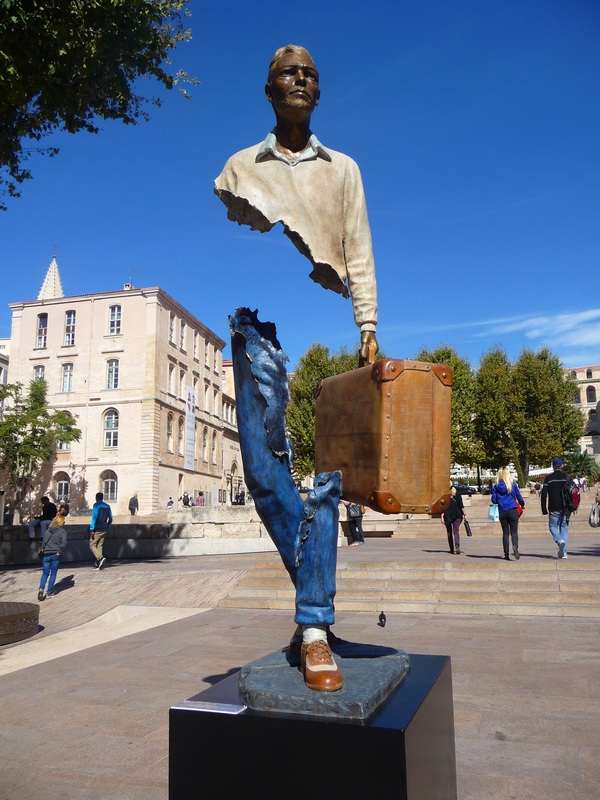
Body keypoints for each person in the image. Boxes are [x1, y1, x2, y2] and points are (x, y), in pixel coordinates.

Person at [215, 45, 380, 692]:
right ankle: (314, 611)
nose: (302, 78)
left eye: (312, 72)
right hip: (255, 328)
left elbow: (360, 248)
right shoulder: (237, 167)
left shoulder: (343, 169)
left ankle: (314, 627)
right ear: (267, 90)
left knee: (327, 485)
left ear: (319, 91)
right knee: (262, 474)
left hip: (332, 336)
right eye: (289, 71)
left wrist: (366, 325)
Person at [492, 467, 525, 561]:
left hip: (502, 511)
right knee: (514, 532)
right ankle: (515, 547)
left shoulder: (496, 486)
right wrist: (522, 504)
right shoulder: (513, 485)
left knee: (505, 533)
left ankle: (506, 553)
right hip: (512, 510)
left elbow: (494, 500)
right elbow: (519, 497)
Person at [38, 503, 69, 600]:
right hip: (56, 553)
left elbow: (43, 543)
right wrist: (60, 551)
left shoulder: (47, 531)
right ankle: (49, 592)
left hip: (46, 554)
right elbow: (63, 543)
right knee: (53, 573)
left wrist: (43, 550)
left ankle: (41, 588)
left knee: (45, 573)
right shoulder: (62, 531)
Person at [541, 457, 570, 559]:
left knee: (552, 526)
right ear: (561, 466)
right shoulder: (567, 477)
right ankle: (564, 553)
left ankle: (559, 540)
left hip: (553, 506)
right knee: (564, 529)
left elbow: (544, 494)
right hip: (566, 507)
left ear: (553, 466)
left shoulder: (548, 478)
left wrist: (543, 508)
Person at [89, 492, 113, 570]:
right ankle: (99, 564)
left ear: (96, 498)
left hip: (97, 528)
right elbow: (111, 518)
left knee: (92, 544)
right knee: (100, 545)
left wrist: (91, 529)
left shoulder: (96, 506)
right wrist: (108, 526)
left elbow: (94, 517)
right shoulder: (107, 506)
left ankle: (100, 557)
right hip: (104, 528)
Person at [442, 486, 466, 555]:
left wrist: (442, 516)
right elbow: (461, 505)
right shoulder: (458, 494)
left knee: (449, 532)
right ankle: (457, 545)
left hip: (448, 515)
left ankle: (451, 549)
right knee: (456, 531)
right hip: (457, 515)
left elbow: (442, 506)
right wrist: (465, 514)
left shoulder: (445, 495)